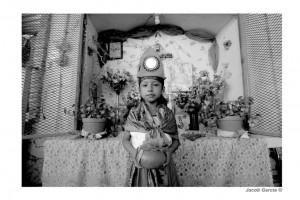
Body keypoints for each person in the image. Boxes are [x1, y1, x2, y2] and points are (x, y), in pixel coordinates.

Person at [122, 47, 180, 187]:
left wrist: (168, 153)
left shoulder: (168, 114)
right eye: (145, 85)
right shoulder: (134, 114)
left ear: (162, 89)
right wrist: (136, 155)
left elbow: (176, 141)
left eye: (155, 85)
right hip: (141, 168)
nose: (150, 89)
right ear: (139, 89)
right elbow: (125, 140)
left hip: (165, 169)